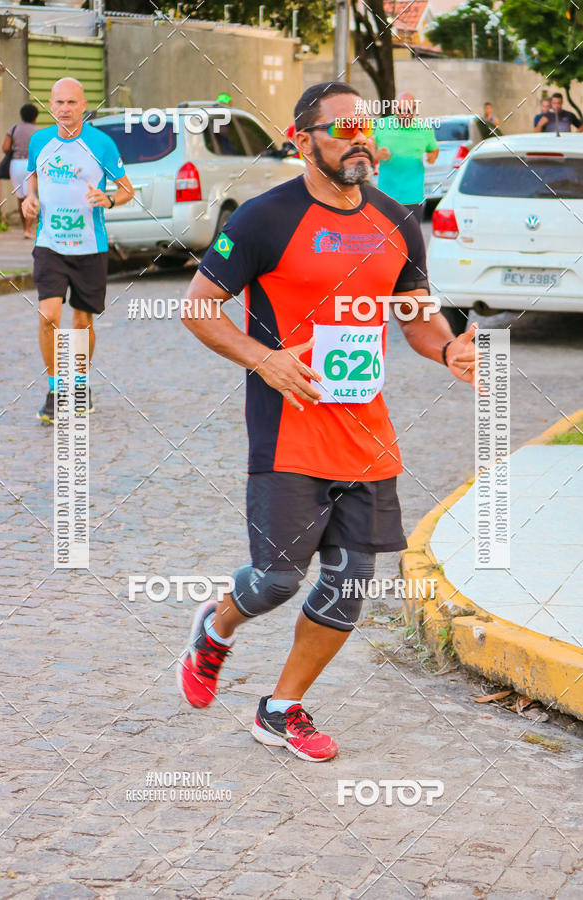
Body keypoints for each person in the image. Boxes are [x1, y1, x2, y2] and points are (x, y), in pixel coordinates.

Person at [177, 81, 477, 762]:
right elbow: (198, 306)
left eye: (365, 128)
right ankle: (216, 628)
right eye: (340, 128)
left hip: (366, 433)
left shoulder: (397, 220)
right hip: (288, 427)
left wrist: (451, 348)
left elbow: (416, 315)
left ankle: (282, 708)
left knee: (349, 584)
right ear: (301, 137)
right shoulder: (263, 219)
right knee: (279, 578)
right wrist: (264, 360)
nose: (357, 138)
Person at [22, 78, 134, 424]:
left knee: (82, 320)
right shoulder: (40, 141)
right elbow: (33, 177)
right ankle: (56, 390)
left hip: (90, 246)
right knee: (48, 315)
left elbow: (127, 190)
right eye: (59, 103)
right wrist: (29, 198)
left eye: (72, 103)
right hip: (50, 244)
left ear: (83, 106)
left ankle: (81, 385)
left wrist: (110, 198)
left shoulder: (101, 144)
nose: (65, 109)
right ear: (51, 105)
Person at [374, 92, 439, 223]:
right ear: (394, 109)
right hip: (386, 197)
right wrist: (376, 155)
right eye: (400, 110)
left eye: (408, 111)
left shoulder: (425, 129)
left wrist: (432, 157)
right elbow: (365, 151)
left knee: (411, 241)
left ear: (415, 110)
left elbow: (434, 149)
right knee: (387, 239)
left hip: (413, 198)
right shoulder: (380, 126)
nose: (404, 114)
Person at [3, 103, 39, 238]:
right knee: (31, 195)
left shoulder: (14, 129)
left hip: (16, 165)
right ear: (35, 117)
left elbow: (5, 148)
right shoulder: (38, 131)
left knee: (20, 197)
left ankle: (25, 227)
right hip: (30, 165)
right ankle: (28, 230)